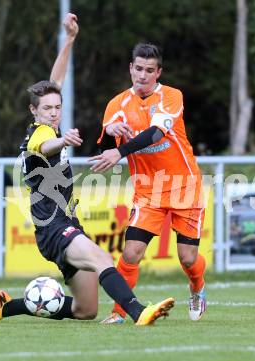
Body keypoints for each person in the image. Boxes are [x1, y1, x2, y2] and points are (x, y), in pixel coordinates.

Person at [0, 14, 174, 326]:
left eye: (57, 107)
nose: (54, 112)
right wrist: (62, 140)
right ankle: (139, 312)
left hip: (66, 223)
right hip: (53, 228)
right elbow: (43, 148)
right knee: (103, 259)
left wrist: (69, 40)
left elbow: (56, 80)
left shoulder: (50, 120)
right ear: (33, 111)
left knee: (85, 309)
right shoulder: (39, 135)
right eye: (47, 109)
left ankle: (5, 307)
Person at [90, 43, 206, 324]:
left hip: (184, 187)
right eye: (138, 68)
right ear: (131, 68)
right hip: (148, 191)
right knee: (131, 252)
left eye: (149, 70)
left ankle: (197, 288)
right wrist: (109, 132)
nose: (143, 75)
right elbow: (104, 144)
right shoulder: (117, 105)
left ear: (158, 72)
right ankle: (119, 313)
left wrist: (119, 150)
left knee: (188, 258)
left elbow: (155, 134)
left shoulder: (171, 96)